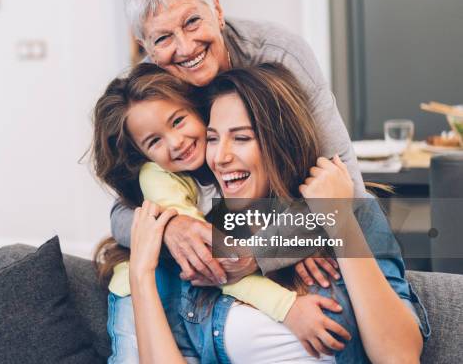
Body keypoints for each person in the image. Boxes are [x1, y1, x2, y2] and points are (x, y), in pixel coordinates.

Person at [124, 65, 425, 363]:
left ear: (280, 142)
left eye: (241, 138)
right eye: (213, 138)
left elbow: (399, 356)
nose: (220, 157)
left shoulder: (348, 214)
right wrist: (141, 275)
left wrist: (338, 220)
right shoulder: (205, 237)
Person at [111, 0, 364, 288]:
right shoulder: (146, 93)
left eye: (191, 22)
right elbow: (120, 214)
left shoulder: (279, 55)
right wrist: (170, 228)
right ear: (146, 48)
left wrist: (263, 252)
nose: (185, 48)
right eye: (162, 39)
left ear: (217, 9)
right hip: (217, 245)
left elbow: (348, 192)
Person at [92, 63, 348, 363]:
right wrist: (287, 307)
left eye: (177, 121)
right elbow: (216, 264)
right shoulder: (159, 178)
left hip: (194, 290)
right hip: (142, 290)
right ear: (142, 154)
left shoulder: (225, 165)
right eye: (154, 141)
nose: (176, 143)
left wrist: (300, 242)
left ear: (197, 110)